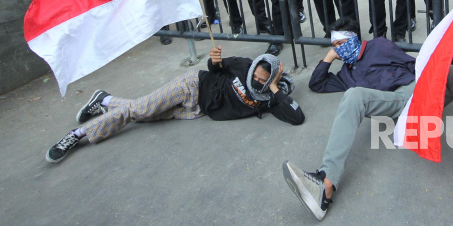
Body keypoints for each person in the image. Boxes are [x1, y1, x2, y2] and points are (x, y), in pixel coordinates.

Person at [281, 17, 453, 226]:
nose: (338, 48)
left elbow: (415, 64)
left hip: (418, 91)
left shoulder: (379, 45)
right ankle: (325, 186)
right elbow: (317, 83)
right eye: (334, 45)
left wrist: (440, 64)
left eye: (342, 42)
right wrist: (329, 56)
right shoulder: (346, 75)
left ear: (355, 38)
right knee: (354, 94)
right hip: (395, 105)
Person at [46, 47, 304, 163]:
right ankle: (76, 135)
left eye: (262, 80)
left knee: (144, 115)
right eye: (256, 76)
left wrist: (272, 87)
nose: (256, 81)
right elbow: (214, 67)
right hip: (191, 85)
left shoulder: (270, 97)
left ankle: (105, 100)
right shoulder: (244, 65)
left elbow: (297, 117)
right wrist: (215, 61)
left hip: (199, 110)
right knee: (141, 109)